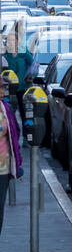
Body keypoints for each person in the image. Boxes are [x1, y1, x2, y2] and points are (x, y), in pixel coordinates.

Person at [0, 95, 21, 236]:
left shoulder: (6, 108)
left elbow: (15, 133)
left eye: (2, 87)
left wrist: (17, 163)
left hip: (3, 167)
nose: (2, 91)